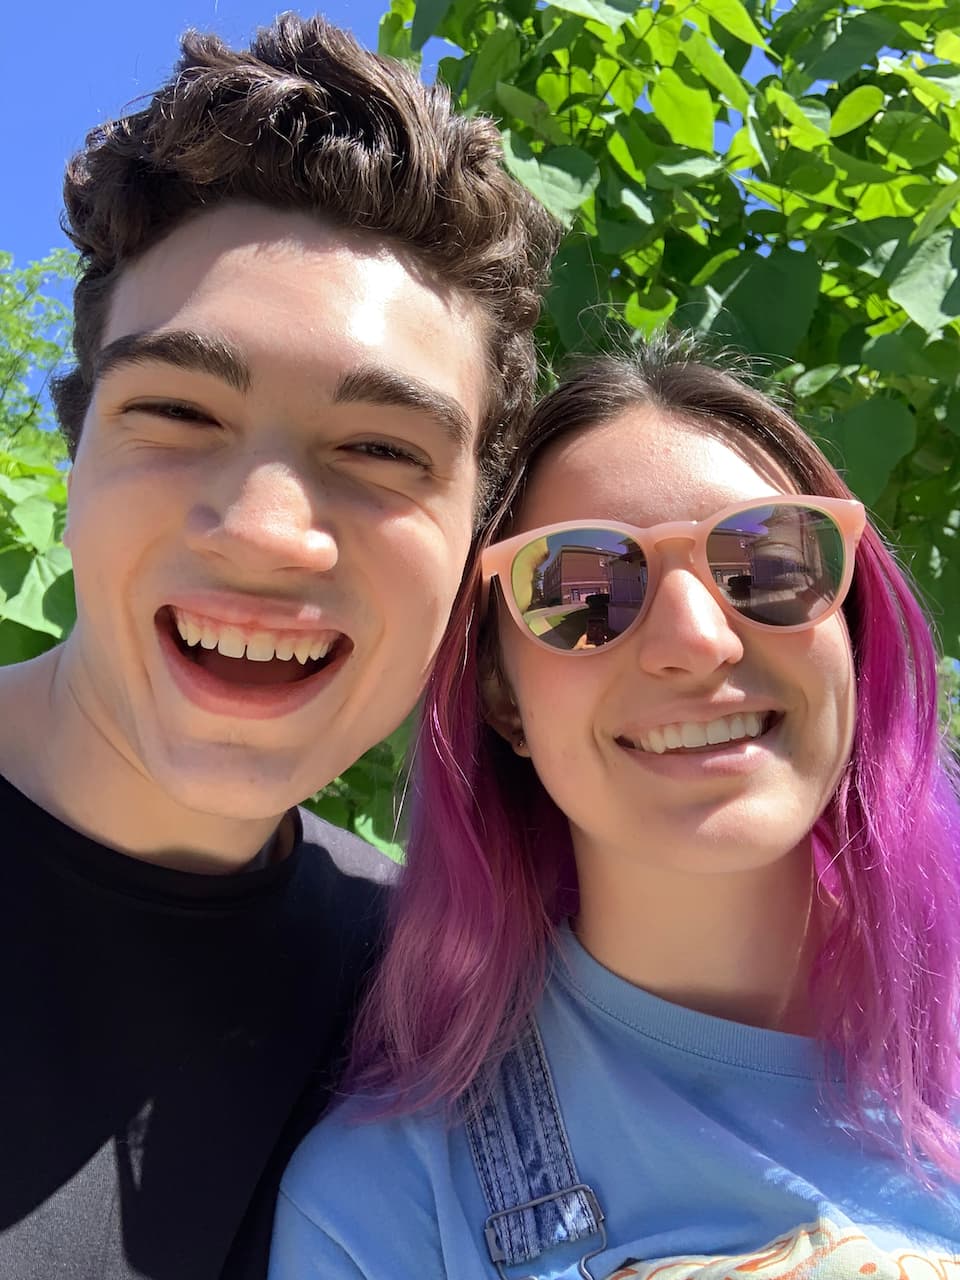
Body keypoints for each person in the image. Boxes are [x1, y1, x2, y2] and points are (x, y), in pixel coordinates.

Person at [0, 13, 558, 1279]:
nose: (265, 532)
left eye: (380, 450)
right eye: (181, 410)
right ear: (74, 455)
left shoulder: (436, 996)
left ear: (479, 539)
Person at [271, 335, 960, 1279]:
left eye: (770, 561)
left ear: (850, 626)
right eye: (581, 589)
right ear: (501, 698)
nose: (694, 640)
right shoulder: (387, 1205)